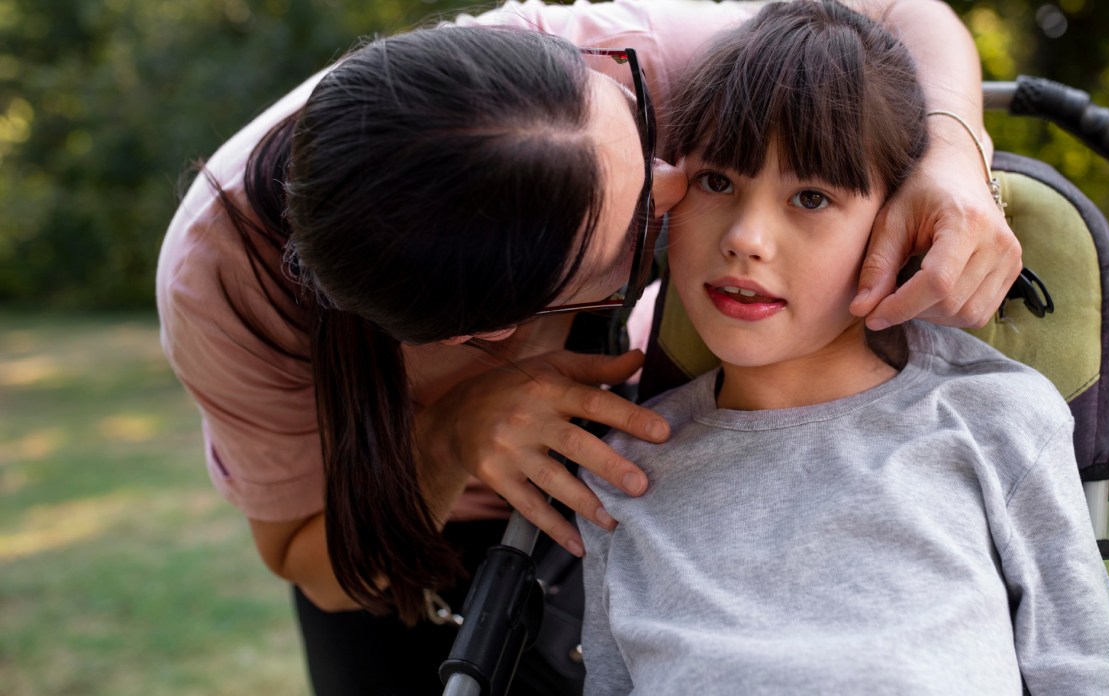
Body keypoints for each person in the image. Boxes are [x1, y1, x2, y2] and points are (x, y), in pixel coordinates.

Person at [156, 0, 1019, 692]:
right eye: (646, 215)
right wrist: (453, 437)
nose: (686, 187)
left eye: (646, 136)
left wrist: (954, 151)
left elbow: (908, 14)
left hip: (619, 483)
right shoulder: (223, 286)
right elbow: (304, 555)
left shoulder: (611, 58)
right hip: (403, 546)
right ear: (499, 329)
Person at [577, 2, 1109, 694]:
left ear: (898, 227)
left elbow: (1089, 673)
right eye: (717, 181)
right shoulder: (621, 473)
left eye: (811, 198)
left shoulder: (991, 418)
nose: (747, 238)